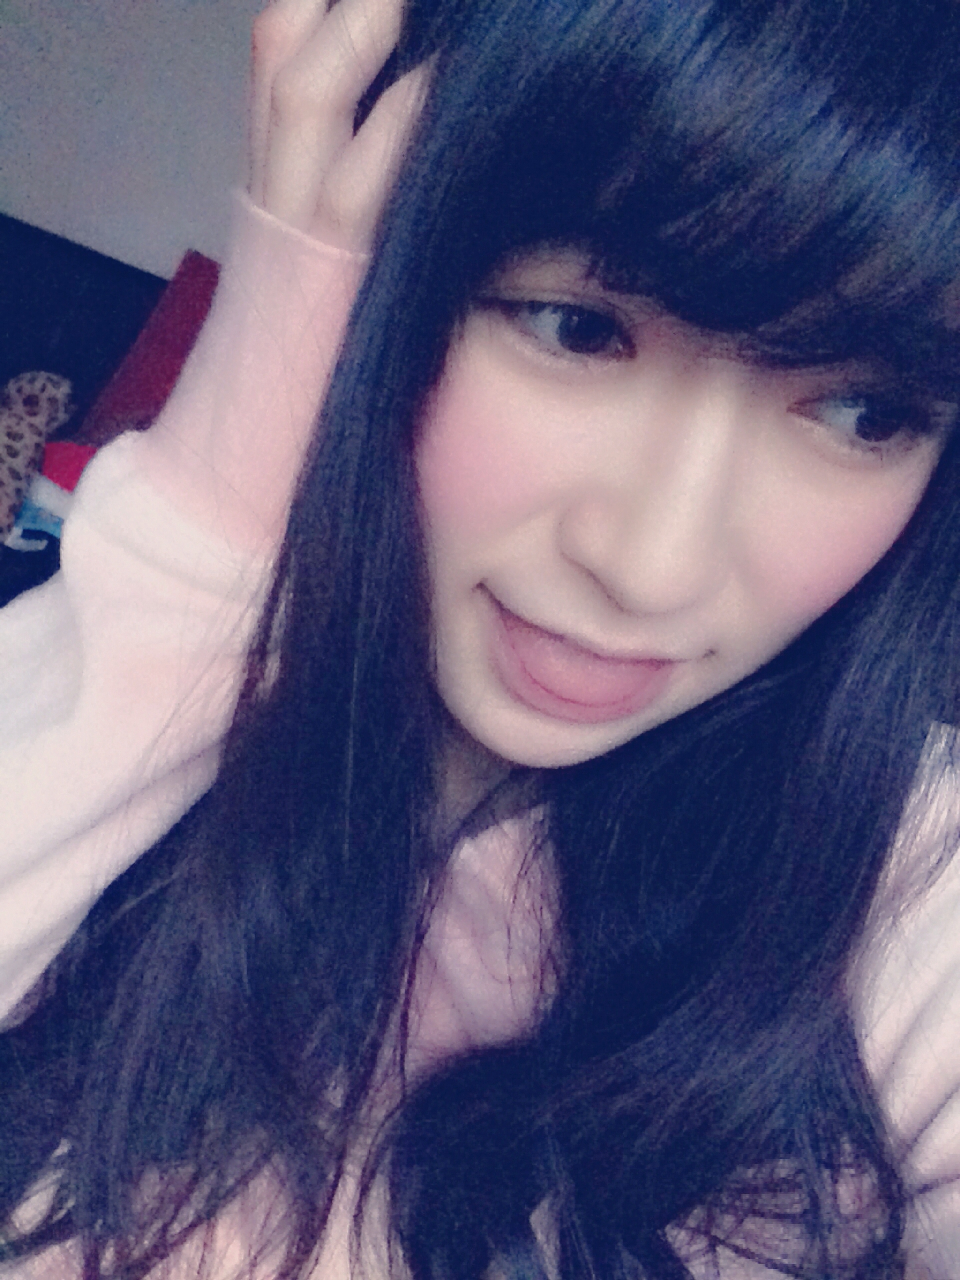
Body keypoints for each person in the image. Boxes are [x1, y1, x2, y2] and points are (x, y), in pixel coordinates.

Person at [1, 0, 960, 1275]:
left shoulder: (907, 889)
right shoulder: (130, 748)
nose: (652, 566)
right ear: (380, 286)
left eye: (861, 410)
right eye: (577, 327)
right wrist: (210, 540)